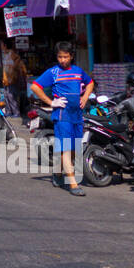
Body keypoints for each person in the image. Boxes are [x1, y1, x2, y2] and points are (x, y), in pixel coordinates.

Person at [31, 42, 94, 196]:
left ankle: (58, 173)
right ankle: (72, 183)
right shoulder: (53, 72)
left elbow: (90, 83)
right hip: (62, 115)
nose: (63, 60)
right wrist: (51, 102)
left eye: (65, 56)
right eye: (60, 57)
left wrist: (85, 97)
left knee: (73, 149)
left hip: (77, 116)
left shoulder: (78, 71)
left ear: (71, 56)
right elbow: (35, 86)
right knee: (66, 148)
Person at [1, 50, 29, 118]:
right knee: (7, 96)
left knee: (12, 97)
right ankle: (9, 111)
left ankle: (16, 112)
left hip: (12, 81)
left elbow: (19, 71)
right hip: (7, 81)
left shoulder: (16, 60)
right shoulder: (8, 58)